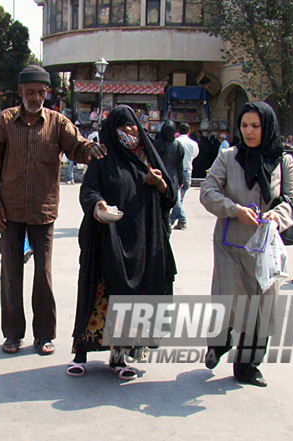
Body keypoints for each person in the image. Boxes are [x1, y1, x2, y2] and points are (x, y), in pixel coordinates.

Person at [0, 64, 107, 355]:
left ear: (46, 93)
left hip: (43, 211)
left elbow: (78, 147)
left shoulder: (57, 123)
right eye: (30, 92)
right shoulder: (5, 121)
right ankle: (13, 334)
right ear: (20, 92)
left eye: (41, 92)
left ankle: (44, 335)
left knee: (44, 274)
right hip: (9, 212)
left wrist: (92, 150)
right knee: (11, 274)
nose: (35, 97)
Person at [67, 105, 177, 379]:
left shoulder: (148, 157)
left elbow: (171, 197)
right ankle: (81, 353)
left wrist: (159, 184)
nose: (129, 132)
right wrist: (98, 204)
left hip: (141, 239)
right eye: (122, 127)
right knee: (98, 292)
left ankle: (119, 358)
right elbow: (88, 190)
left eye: (132, 126)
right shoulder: (103, 158)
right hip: (107, 237)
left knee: (128, 298)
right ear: (111, 131)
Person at [200, 101, 293, 387]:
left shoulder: (284, 162)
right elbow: (207, 191)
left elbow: (292, 200)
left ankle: (248, 367)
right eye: (244, 126)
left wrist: (277, 216)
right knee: (230, 297)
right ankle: (218, 345)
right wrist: (234, 209)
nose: (249, 132)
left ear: (267, 127)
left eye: (255, 126)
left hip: (265, 247)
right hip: (230, 243)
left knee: (261, 307)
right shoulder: (228, 157)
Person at [154, 120, 184, 227]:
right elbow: (180, 166)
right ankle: (166, 228)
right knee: (168, 208)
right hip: (173, 179)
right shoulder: (178, 146)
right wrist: (181, 180)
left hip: (158, 179)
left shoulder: (156, 144)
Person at [172, 122, 199, 229]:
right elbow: (194, 155)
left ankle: (181, 219)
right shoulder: (193, 144)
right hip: (187, 170)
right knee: (179, 197)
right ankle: (174, 218)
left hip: (177, 171)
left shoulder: (176, 142)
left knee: (177, 198)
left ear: (178, 131)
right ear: (189, 132)